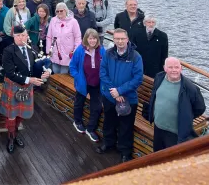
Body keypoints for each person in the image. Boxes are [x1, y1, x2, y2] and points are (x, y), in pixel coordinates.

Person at [0, 26, 50, 153]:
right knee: (11, 115)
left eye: (24, 35)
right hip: (14, 85)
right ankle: (10, 138)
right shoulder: (8, 51)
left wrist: (45, 72)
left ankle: (15, 134)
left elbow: (36, 67)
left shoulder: (31, 49)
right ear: (14, 37)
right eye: (18, 36)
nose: (22, 38)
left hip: (27, 86)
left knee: (21, 113)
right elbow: (10, 73)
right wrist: (30, 80)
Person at [96, 28, 143, 163]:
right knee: (109, 122)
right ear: (114, 40)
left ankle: (125, 151)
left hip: (128, 98)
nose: (120, 41)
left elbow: (138, 78)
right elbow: (103, 72)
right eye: (117, 39)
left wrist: (120, 91)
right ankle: (108, 143)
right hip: (110, 96)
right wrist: (114, 91)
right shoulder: (109, 53)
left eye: (122, 39)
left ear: (127, 39)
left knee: (126, 126)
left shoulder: (135, 56)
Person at [147, 57, 205, 151]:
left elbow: (200, 108)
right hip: (158, 127)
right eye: (170, 67)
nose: (174, 70)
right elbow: (155, 96)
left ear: (181, 68)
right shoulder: (159, 77)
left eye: (176, 67)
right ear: (165, 68)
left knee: (171, 158)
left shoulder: (190, 88)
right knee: (157, 155)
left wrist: (186, 116)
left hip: (174, 133)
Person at [69, 29, 106, 143]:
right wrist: (78, 77)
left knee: (97, 107)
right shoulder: (80, 50)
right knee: (79, 103)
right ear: (86, 39)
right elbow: (72, 67)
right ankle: (78, 122)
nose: (92, 40)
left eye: (94, 38)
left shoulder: (102, 50)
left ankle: (91, 128)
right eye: (90, 38)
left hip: (97, 83)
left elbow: (106, 66)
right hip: (83, 82)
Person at [46, 3, 82, 74]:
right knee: (55, 72)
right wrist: (48, 50)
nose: (59, 13)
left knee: (63, 73)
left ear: (66, 11)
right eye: (57, 11)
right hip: (55, 52)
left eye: (61, 11)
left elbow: (78, 38)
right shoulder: (53, 20)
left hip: (67, 54)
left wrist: (75, 51)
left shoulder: (73, 22)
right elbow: (49, 37)